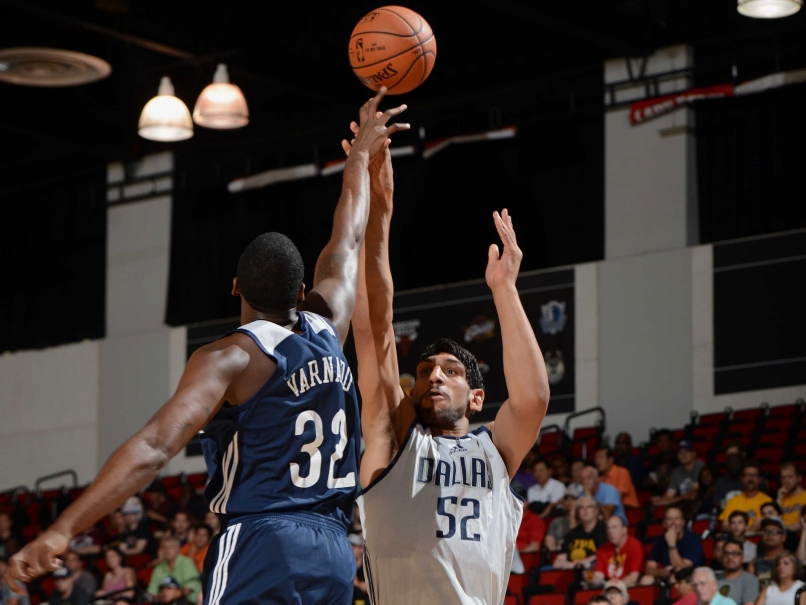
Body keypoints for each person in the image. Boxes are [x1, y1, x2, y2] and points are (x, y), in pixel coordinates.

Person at [6, 89, 410, 605]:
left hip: (262, 540)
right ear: (301, 290)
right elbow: (347, 239)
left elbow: (155, 447)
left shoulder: (231, 358)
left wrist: (63, 529)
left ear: (236, 287)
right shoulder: (328, 326)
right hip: (333, 548)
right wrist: (359, 159)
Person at [350, 134, 550, 602]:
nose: (434, 376)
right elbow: (374, 323)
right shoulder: (395, 438)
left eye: (451, 371)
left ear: (477, 398)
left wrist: (505, 289)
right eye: (423, 372)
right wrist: (379, 204)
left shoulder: (494, 452)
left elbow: (533, 399)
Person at [640, 506, 705, 585]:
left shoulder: (693, 540)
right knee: (646, 579)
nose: (674, 522)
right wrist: (660, 572)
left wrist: (672, 544)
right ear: (664, 524)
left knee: (674, 579)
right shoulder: (659, 540)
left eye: (677, 519)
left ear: (683, 522)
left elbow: (681, 570)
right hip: (667, 576)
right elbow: (649, 568)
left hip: (692, 579)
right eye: (670, 519)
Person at [553, 495, 607, 570]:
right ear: (578, 513)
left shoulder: (604, 530)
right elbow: (558, 562)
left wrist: (576, 564)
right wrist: (576, 565)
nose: (585, 510)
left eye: (589, 507)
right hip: (572, 573)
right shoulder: (572, 534)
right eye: (581, 508)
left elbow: (602, 555)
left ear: (596, 511)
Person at [652, 442, 706, 514]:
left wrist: (676, 499)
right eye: (680, 453)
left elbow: (693, 495)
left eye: (686, 452)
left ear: (694, 454)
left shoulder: (700, 466)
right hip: (685, 508)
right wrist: (659, 500)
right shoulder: (676, 472)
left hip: (702, 507)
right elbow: (669, 495)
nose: (683, 455)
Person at [720, 462, 772, 533]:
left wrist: (738, 529)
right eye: (747, 475)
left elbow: (769, 526)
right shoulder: (732, 501)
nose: (750, 478)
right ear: (742, 479)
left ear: (760, 479)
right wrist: (751, 528)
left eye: (754, 475)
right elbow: (725, 526)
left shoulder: (767, 501)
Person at [592, 516, 644, 586]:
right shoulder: (603, 549)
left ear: (624, 529)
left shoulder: (635, 545)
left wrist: (615, 587)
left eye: (614, 527)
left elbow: (633, 577)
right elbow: (599, 575)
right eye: (608, 528)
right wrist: (592, 579)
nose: (610, 531)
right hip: (609, 587)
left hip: (628, 586)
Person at [147, 537, 201, 601]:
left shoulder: (186, 562)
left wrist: (172, 595)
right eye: (164, 548)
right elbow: (152, 592)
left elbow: (189, 588)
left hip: (189, 601)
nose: (167, 550)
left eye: (170, 547)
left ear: (178, 549)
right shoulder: (159, 567)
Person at [715, 539, 760, 605]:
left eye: (735, 553)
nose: (730, 557)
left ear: (743, 557)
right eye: (726, 553)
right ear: (722, 557)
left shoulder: (750, 580)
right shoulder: (714, 580)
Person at [545, 486, 584, 552]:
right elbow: (549, 539)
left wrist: (572, 514)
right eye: (566, 498)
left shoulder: (585, 521)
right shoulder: (557, 521)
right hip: (558, 553)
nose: (569, 501)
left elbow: (575, 538)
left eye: (573, 498)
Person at [749, 518, 787, 584]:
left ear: (783, 537)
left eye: (774, 532)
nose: (769, 535)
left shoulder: (790, 561)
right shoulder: (755, 562)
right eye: (766, 531)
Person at [713, 445, 745, 513]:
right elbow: (717, 503)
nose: (733, 460)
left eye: (735, 456)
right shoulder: (720, 481)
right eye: (730, 456)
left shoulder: (750, 477)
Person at [776, 463, 806, 532]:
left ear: (799, 478)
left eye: (790, 477)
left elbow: (803, 523)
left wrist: (783, 530)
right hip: (781, 536)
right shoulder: (781, 497)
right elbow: (774, 521)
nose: (786, 481)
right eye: (783, 478)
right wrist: (779, 500)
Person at [347, 533, 369, 605]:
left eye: (353, 546)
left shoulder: (367, 568)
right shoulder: (344, 565)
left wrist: (357, 583)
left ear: (361, 549)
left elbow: (369, 588)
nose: (350, 548)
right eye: (348, 545)